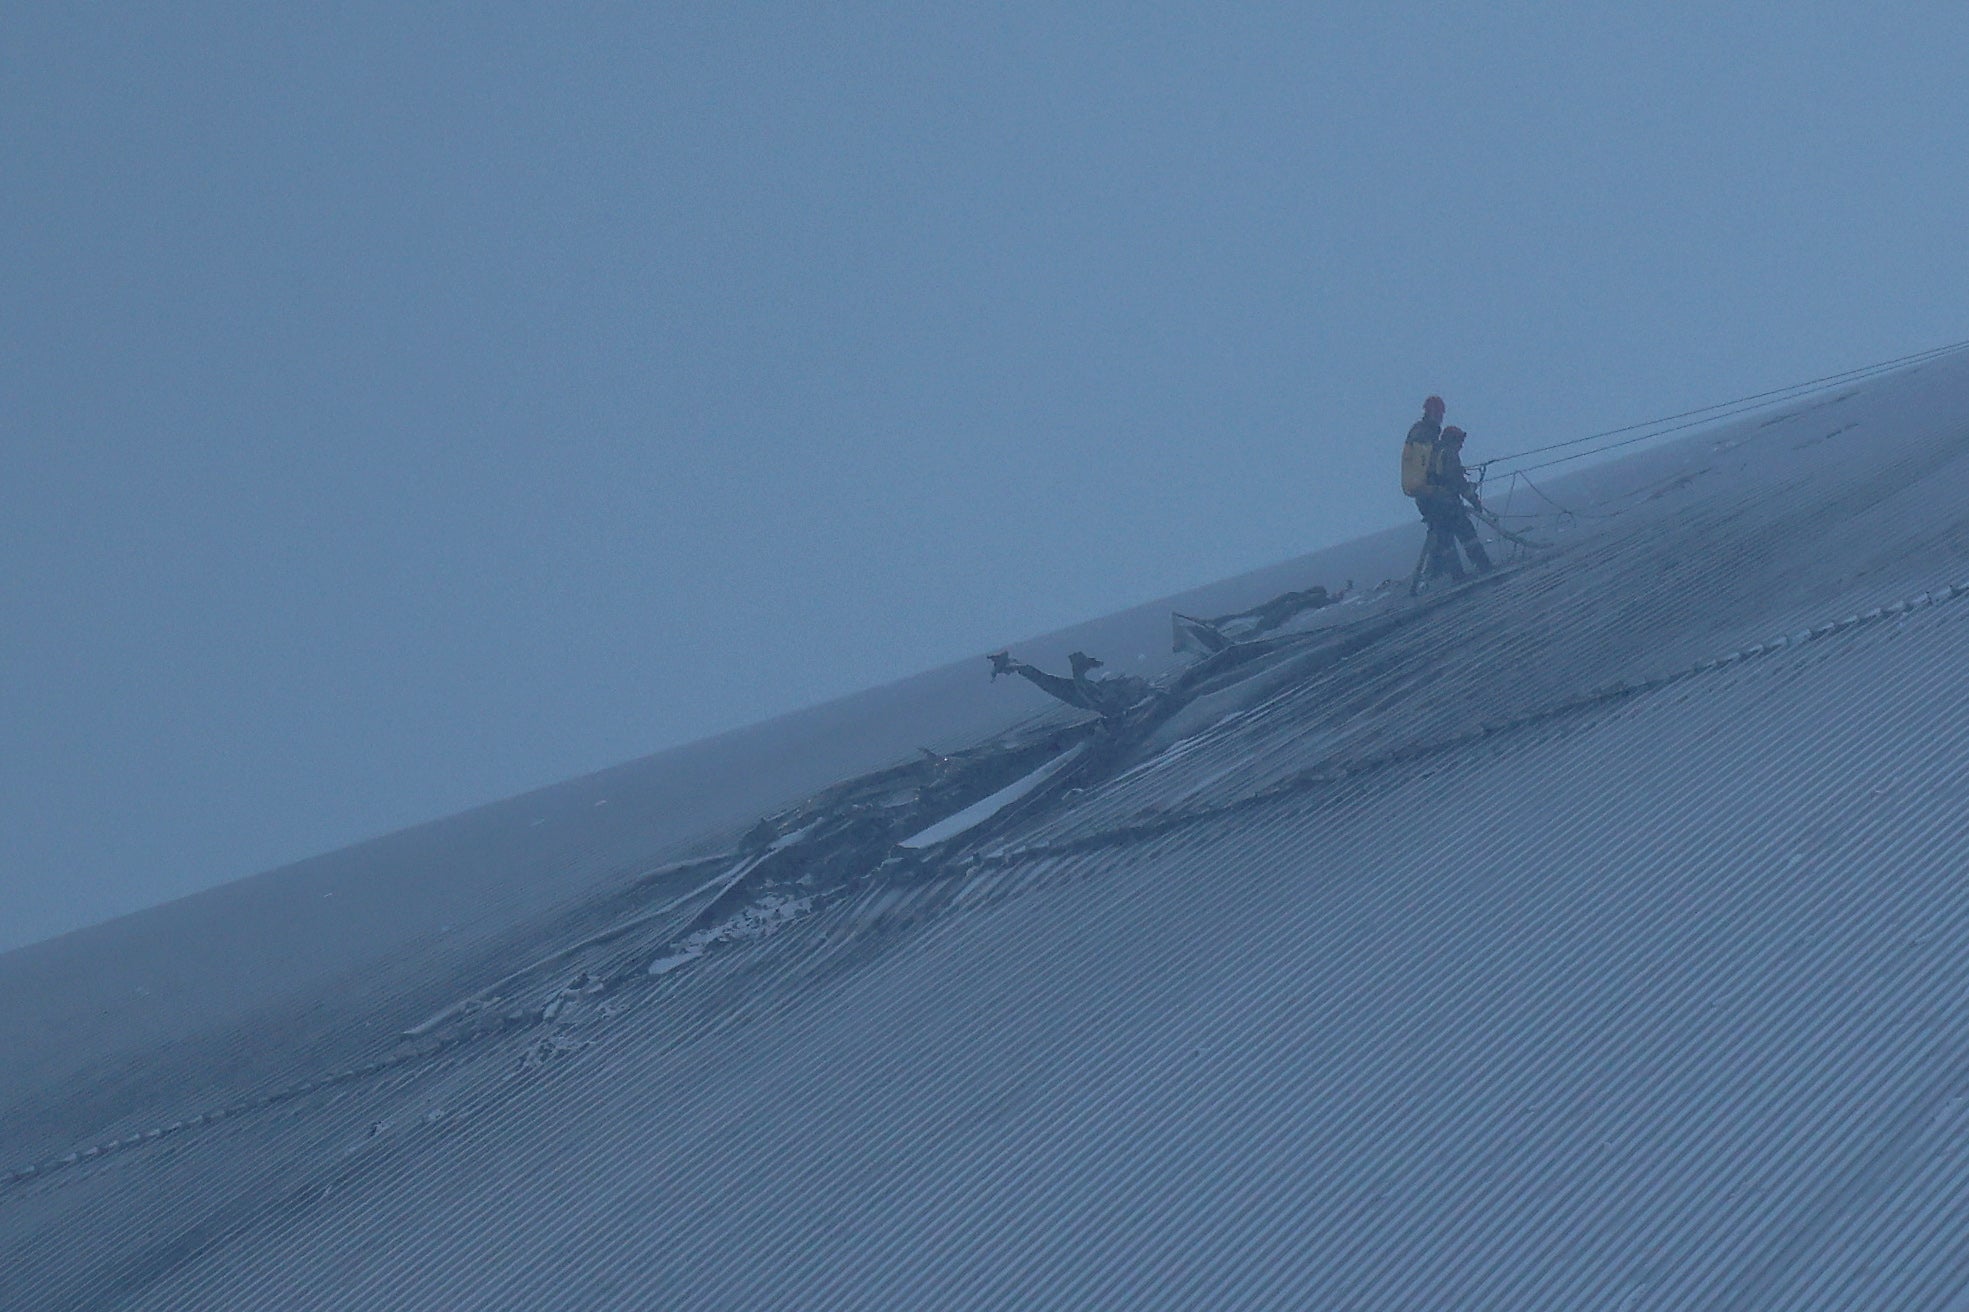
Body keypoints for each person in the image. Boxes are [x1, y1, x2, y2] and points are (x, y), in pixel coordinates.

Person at [1416, 425, 1493, 582]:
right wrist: (1474, 500)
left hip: (1430, 509)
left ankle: (1457, 576)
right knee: (1468, 535)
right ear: (1452, 441)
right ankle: (1484, 566)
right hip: (1448, 506)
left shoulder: (1431, 454)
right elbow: (1458, 482)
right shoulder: (1449, 454)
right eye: (1460, 442)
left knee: (1446, 543)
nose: (1461, 446)